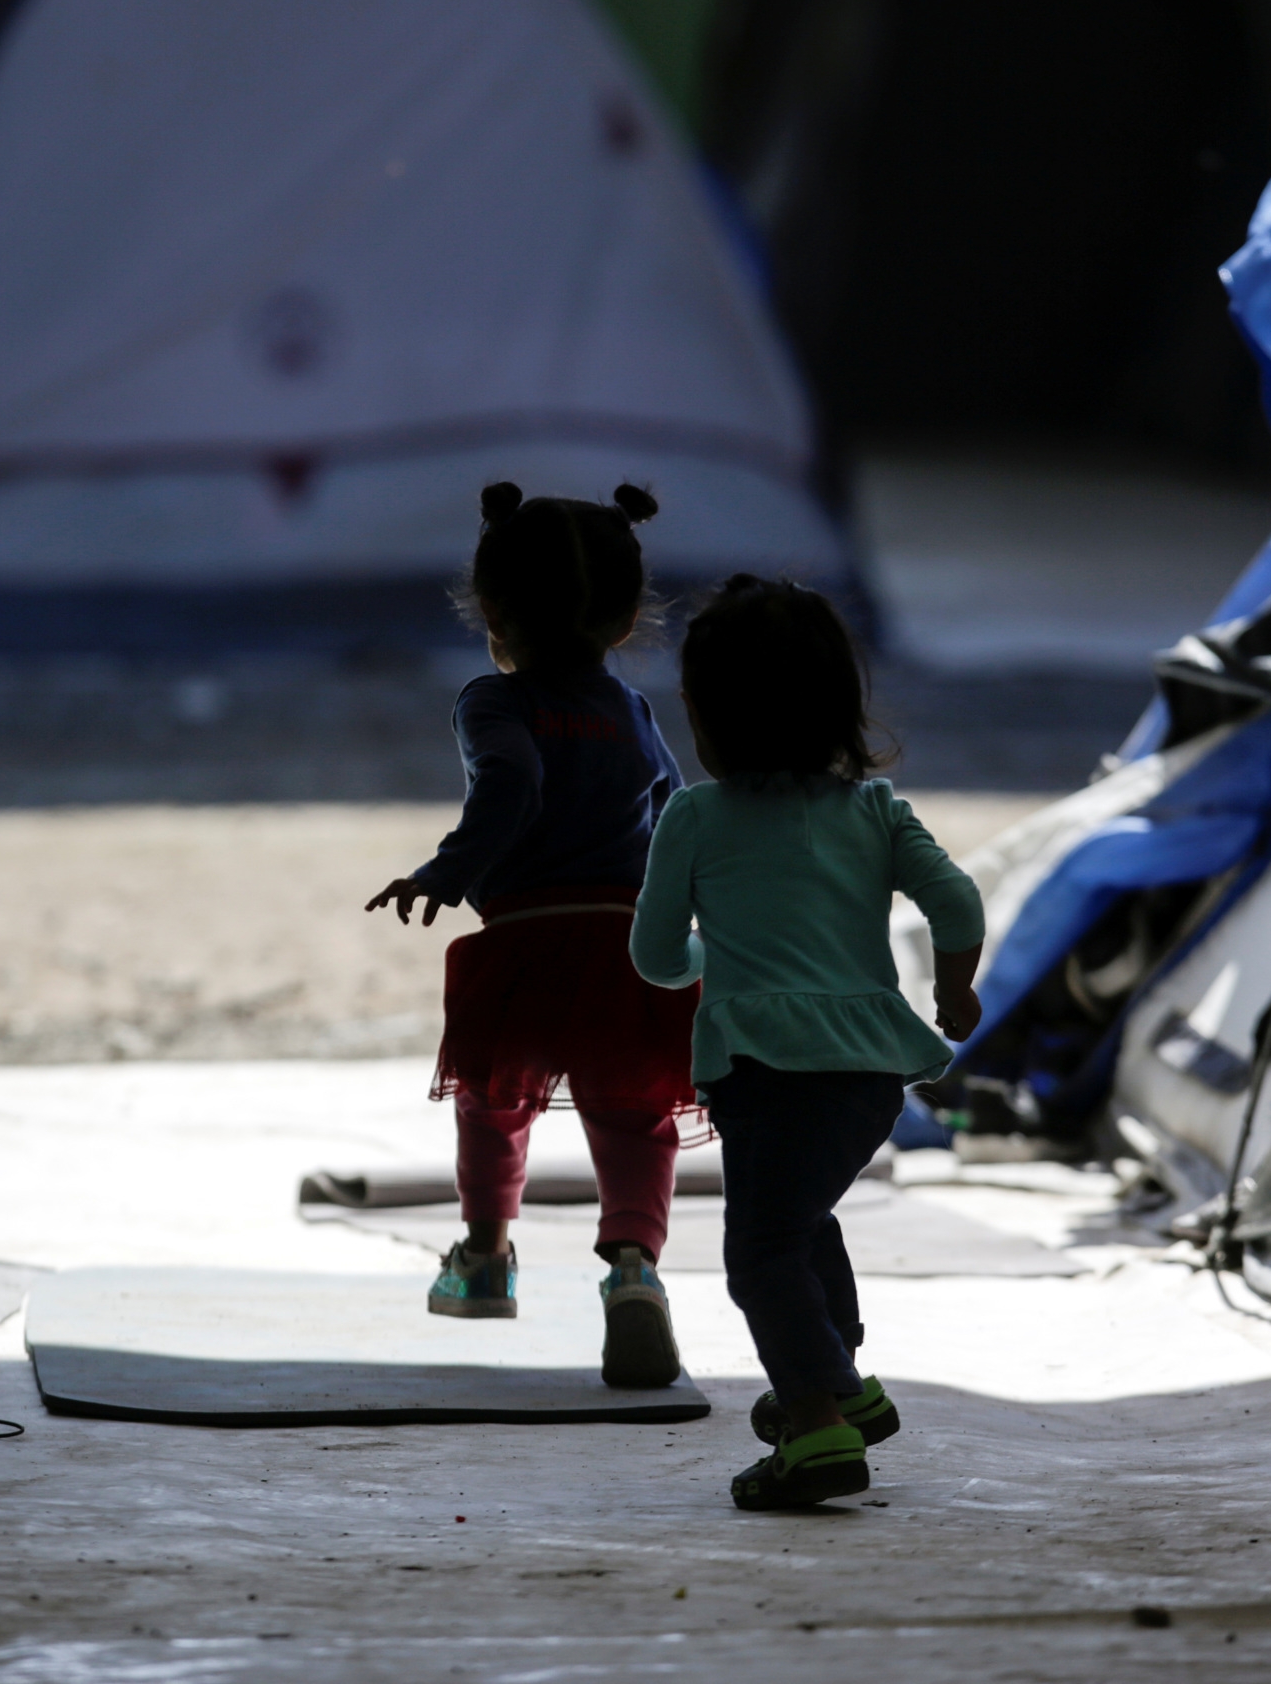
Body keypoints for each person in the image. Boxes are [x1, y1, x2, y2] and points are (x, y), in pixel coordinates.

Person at [631, 575, 985, 1510]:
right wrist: (954, 990)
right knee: (799, 1215)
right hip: (872, 1073)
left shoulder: (694, 817)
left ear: (703, 714)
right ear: (842, 704)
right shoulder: (877, 810)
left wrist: (719, 951)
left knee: (761, 1252)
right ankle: (842, 1384)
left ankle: (819, 1431)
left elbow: (657, 956)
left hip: (766, 1071)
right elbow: (957, 901)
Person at [367, 481, 699, 1388]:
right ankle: (634, 1270)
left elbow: (509, 788)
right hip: (626, 947)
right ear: (628, 613)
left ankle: (483, 1260)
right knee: (637, 1117)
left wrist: (447, 869)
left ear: (493, 611)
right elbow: (673, 809)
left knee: (492, 1102)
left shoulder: (492, 702)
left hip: (524, 941)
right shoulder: (633, 709)